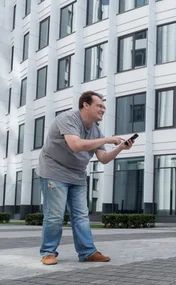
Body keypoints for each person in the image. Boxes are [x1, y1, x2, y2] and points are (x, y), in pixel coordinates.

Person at [37, 91, 134, 265]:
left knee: (81, 216)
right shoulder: (68, 119)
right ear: (85, 105)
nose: (103, 109)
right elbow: (76, 145)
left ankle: (87, 252)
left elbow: (103, 158)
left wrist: (120, 148)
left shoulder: (96, 130)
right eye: (99, 106)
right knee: (55, 216)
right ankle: (48, 253)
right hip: (54, 171)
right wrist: (107, 139)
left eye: (104, 106)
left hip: (77, 175)